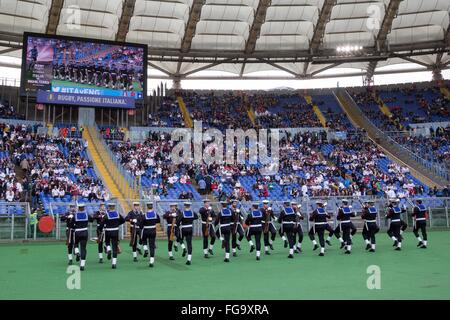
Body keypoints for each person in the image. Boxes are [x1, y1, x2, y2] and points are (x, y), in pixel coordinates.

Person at [103, 203, 125, 269]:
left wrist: (101, 228)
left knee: (107, 242)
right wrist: (117, 224)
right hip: (115, 232)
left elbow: (102, 224)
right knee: (115, 247)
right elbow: (123, 220)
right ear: (114, 207)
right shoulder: (118, 214)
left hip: (108, 231)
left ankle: (109, 250)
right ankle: (114, 263)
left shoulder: (106, 215)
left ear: (109, 207)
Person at [72, 203, 93, 270]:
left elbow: (71, 224)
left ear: (78, 208)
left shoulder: (75, 215)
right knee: (83, 248)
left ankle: (77, 252)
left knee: (75, 244)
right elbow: (92, 220)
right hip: (85, 232)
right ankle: (82, 265)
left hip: (77, 232)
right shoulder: (87, 215)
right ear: (84, 208)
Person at [140, 202, 161, 267]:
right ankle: (151, 261)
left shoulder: (144, 215)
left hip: (146, 230)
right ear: (152, 207)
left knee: (143, 240)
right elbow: (158, 221)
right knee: (152, 245)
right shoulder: (155, 214)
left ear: (147, 207)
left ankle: (145, 249)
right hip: (153, 230)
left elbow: (141, 225)